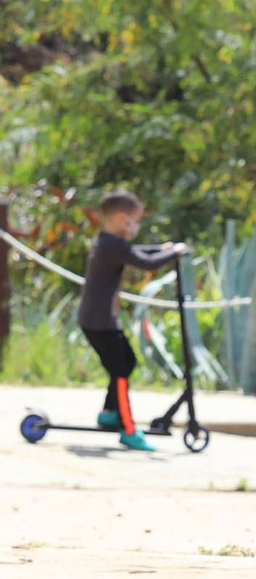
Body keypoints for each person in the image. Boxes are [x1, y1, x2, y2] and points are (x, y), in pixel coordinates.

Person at [76, 189, 190, 452]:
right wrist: (176, 252)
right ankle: (128, 429)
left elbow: (136, 252)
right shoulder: (112, 245)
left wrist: (163, 249)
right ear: (120, 219)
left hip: (99, 320)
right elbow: (147, 263)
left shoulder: (108, 242)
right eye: (134, 220)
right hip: (99, 322)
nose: (136, 226)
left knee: (126, 363)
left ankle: (109, 413)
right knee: (120, 374)